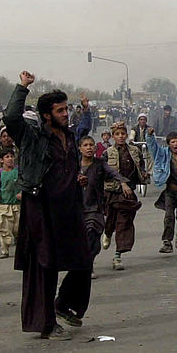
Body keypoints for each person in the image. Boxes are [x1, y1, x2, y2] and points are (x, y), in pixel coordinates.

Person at [3, 72, 93, 341]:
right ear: (46, 115)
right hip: (41, 209)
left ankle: (64, 305)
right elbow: (10, 119)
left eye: (67, 109)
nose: (66, 114)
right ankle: (46, 324)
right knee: (45, 267)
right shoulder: (32, 137)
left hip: (69, 208)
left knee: (83, 259)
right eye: (60, 110)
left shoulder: (68, 136)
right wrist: (22, 87)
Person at [53, 135, 131, 327]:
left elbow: (113, 173)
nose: (88, 148)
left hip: (94, 212)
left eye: (91, 145)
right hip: (75, 213)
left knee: (90, 251)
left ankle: (65, 303)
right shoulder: (72, 166)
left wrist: (123, 182)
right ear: (79, 148)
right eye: (85, 145)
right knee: (83, 260)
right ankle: (64, 303)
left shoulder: (99, 164)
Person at [101, 122, 146, 270]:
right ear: (113, 136)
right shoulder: (107, 153)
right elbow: (104, 172)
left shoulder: (135, 151)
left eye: (123, 134)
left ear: (126, 135)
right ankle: (107, 233)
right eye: (117, 134)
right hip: (112, 193)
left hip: (128, 195)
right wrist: (121, 183)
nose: (120, 137)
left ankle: (117, 256)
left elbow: (141, 166)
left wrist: (143, 176)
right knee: (111, 221)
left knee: (124, 223)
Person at [0, 147, 21, 258]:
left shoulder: (19, 172)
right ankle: (5, 250)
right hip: (3, 205)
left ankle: (20, 246)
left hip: (17, 205)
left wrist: (23, 193)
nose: (10, 159)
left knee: (18, 228)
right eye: (7, 157)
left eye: (12, 156)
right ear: (1, 160)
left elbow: (26, 184)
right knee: (3, 228)